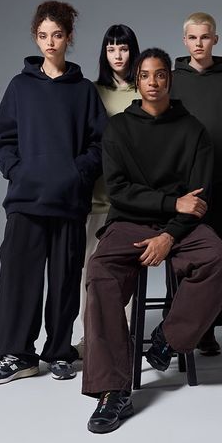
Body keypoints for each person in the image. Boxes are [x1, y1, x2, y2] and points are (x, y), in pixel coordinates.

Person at [83, 48, 222, 433]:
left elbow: (199, 198)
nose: (153, 82)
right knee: (99, 272)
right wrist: (170, 203)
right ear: (137, 81)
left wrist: (169, 234)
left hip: (180, 226)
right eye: (146, 75)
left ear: (171, 79)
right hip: (129, 222)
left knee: (218, 257)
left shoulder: (193, 130)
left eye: (161, 74)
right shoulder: (118, 128)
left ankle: (168, 336)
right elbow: (119, 191)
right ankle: (113, 390)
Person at [0, 0, 107, 385]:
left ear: (69, 37)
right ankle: (18, 356)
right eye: (43, 35)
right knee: (19, 279)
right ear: (36, 38)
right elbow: (4, 140)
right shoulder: (20, 87)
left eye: (57, 35)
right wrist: (17, 172)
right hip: (26, 199)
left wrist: (76, 174)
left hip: (68, 200)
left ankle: (59, 352)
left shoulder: (83, 91)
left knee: (65, 280)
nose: (50, 42)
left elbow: (100, 144)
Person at [171, 12, 222, 355]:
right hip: (185, 186)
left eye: (205, 37)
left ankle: (209, 327)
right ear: (184, 41)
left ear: (215, 39)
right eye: (193, 37)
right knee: (183, 254)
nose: (199, 43)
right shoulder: (173, 81)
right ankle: (180, 327)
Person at [74, 24, 140, 359]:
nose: (118, 55)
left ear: (132, 51)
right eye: (111, 49)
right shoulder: (92, 92)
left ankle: (121, 337)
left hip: (130, 199)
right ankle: (90, 337)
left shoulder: (144, 90)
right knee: (90, 270)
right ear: (104, 53)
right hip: (96, 196)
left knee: (123, 272)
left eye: (123, 48)